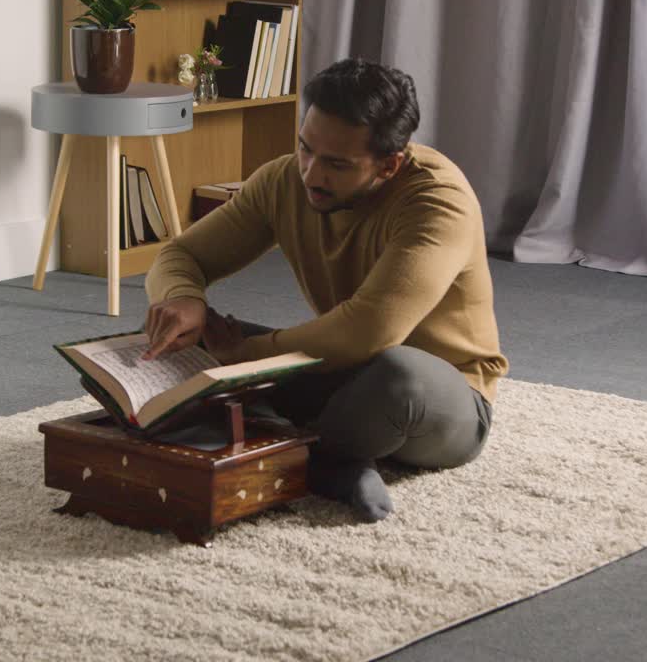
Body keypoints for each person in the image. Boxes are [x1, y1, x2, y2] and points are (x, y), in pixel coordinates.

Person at [141, 57, 508, 521]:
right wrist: (183, 301)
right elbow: (179, 257)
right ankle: (324, 453)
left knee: (397, 377)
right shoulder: (284, 180)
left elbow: (368, 333)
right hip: (342, 373)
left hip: (441, 398)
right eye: (305, 149)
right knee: (174, 339)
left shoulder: (438, 202)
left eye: (336, 163)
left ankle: (295, 450)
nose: (312, 173)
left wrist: (247, 356)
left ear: (390, 165)